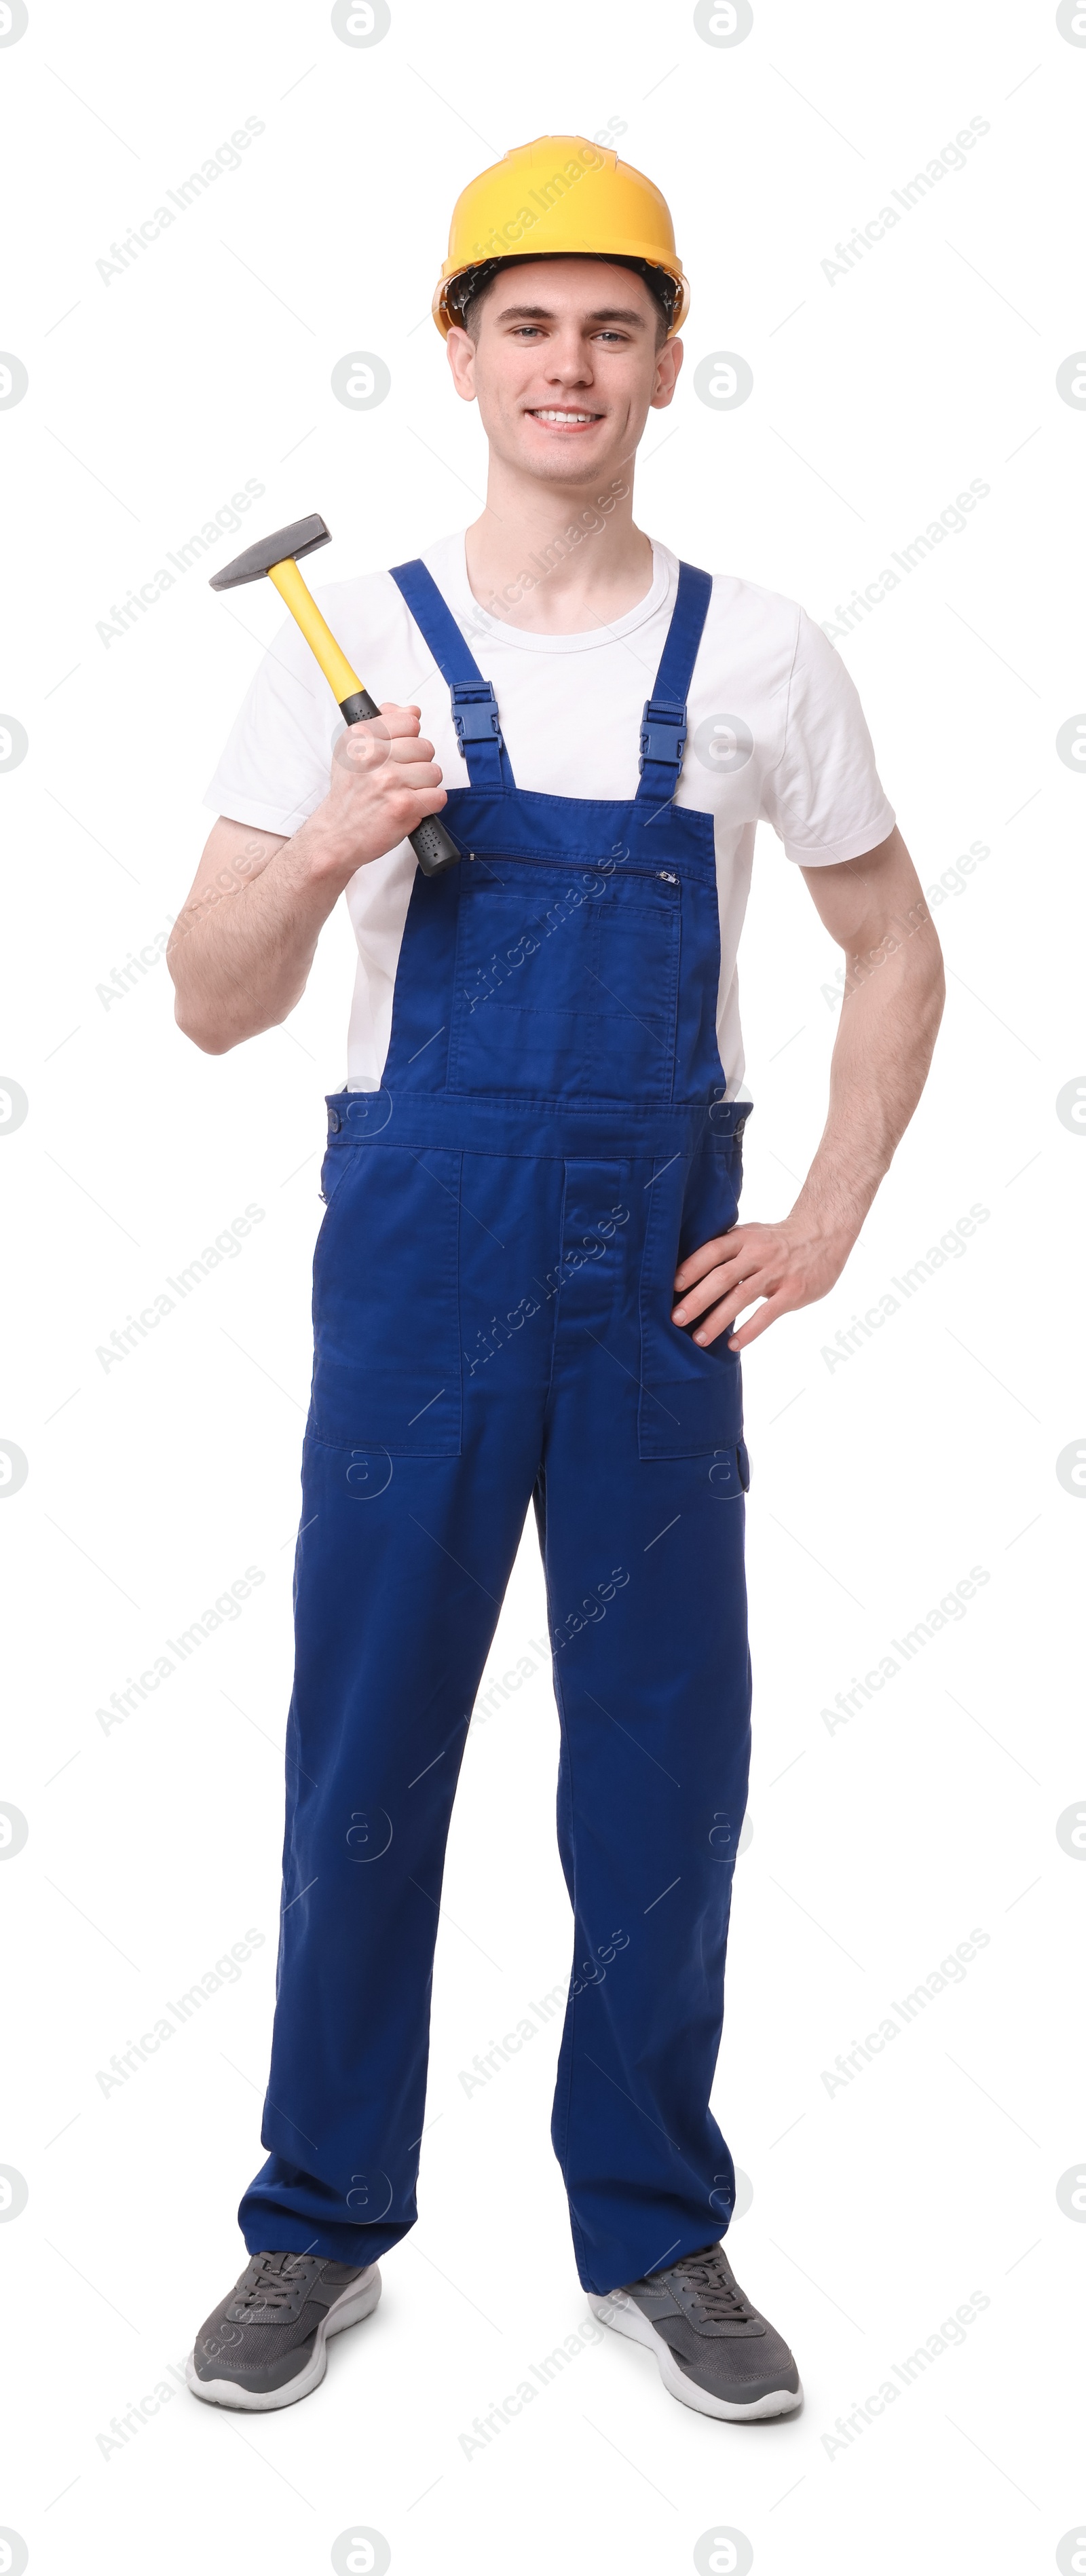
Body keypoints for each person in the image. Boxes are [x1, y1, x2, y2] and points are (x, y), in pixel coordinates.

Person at [169, 135, 943, 2425]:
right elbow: (210, 995)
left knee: (662, 1765)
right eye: (528, 324)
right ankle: (315, 2218)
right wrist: (331, 837)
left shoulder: (764, 652)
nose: (569, 365)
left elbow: (895, 941)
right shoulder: (363, 652)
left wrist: (823, 1214)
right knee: (367, 1744)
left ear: (669, 360)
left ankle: (659, 2224)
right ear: (460, 352)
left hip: (652, 1290)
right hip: (418, 1266)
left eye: (613, 326)